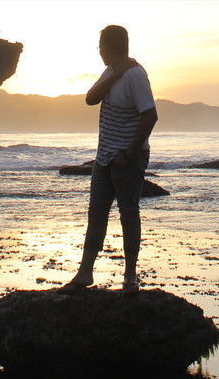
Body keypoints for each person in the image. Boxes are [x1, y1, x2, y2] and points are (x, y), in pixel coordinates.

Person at [61, 24, 158, 295]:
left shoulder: (136, 76)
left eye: (100, 47)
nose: (100, 52)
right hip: (103, 158)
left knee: (129, 214)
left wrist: (129, 153)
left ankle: (130, 277)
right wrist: (115, 73)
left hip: (127, 158)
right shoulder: (113, 72)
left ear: (106, 47)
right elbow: (90, 99)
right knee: (97, 214)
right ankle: (85, 272)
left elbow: (150, 116)